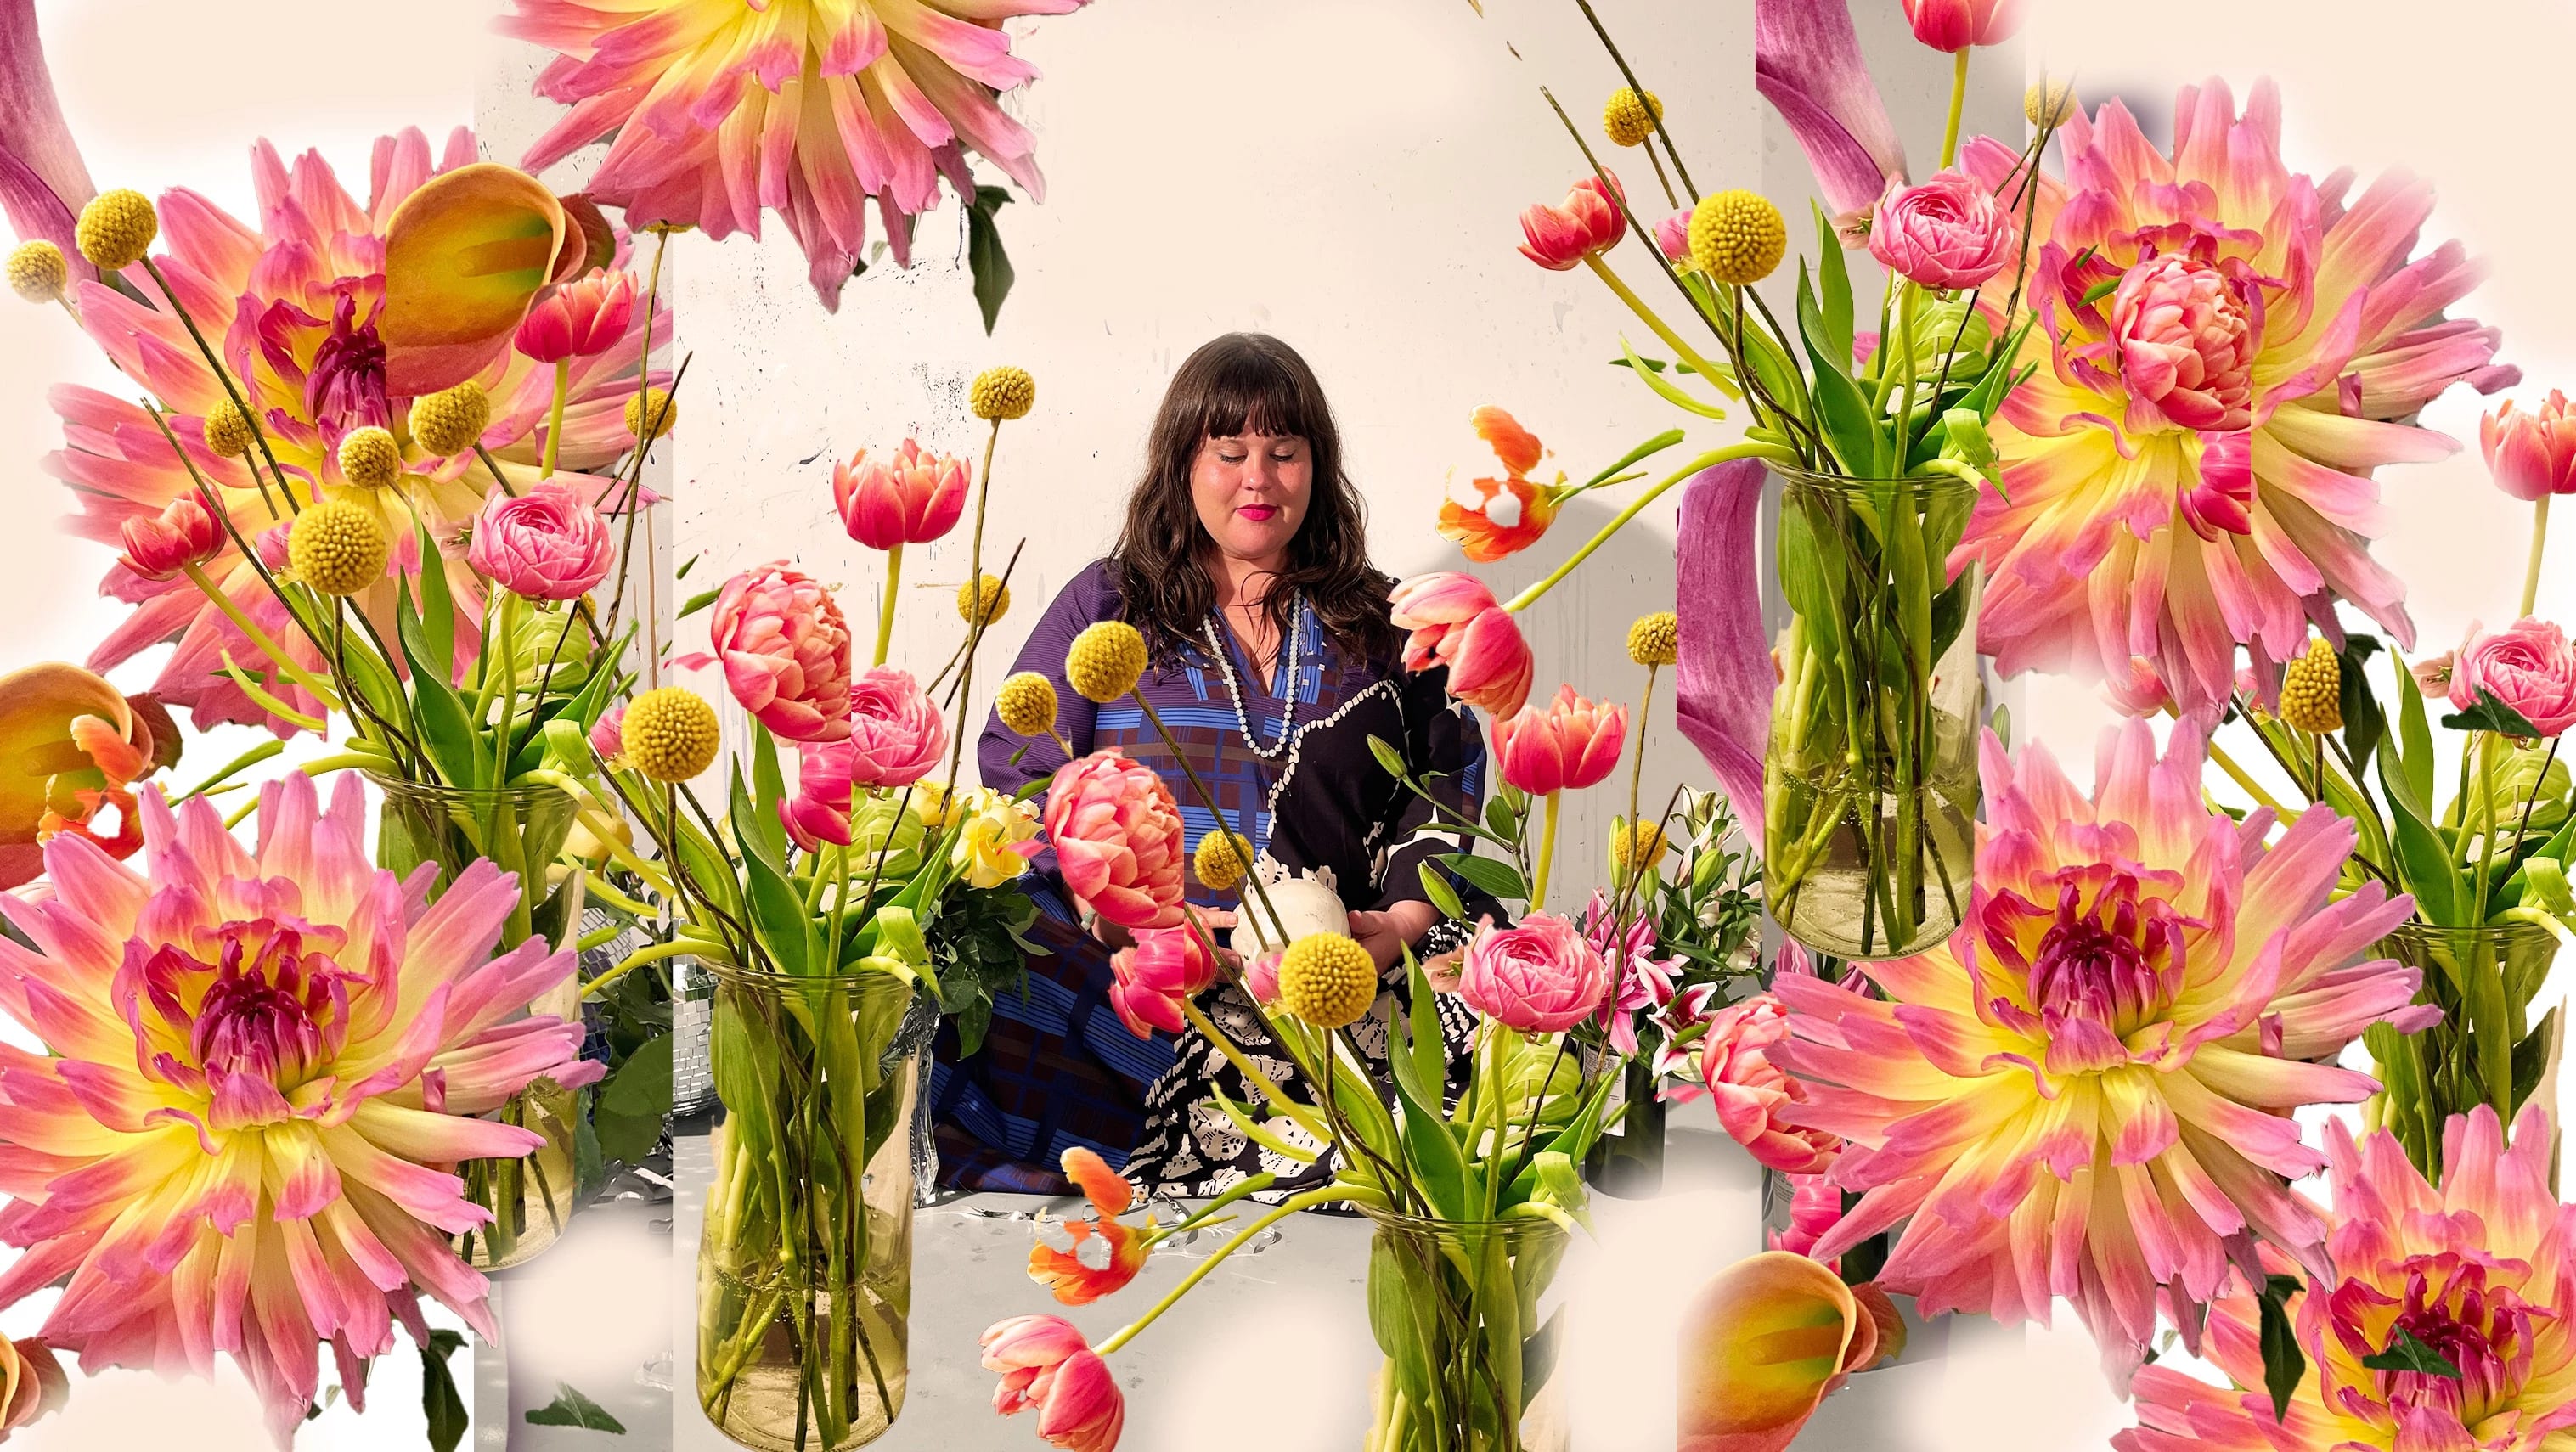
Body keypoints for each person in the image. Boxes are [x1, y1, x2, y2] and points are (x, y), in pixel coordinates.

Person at [929, 332, 1495, 1199]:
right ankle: (1220, 1128)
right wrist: (1112, 916)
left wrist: (1403, 922)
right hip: (1136, 982)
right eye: (1230, 453)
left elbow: (1448, 771)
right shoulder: (1108, 604)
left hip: (1338, 978)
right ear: (1183, 467)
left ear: (1318, 466)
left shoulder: (1386, 621)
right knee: (977, 946)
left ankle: (1294, 1124)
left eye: (1284, 452)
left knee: (1519, 1001)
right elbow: (1021, 767)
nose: (1257, 479)